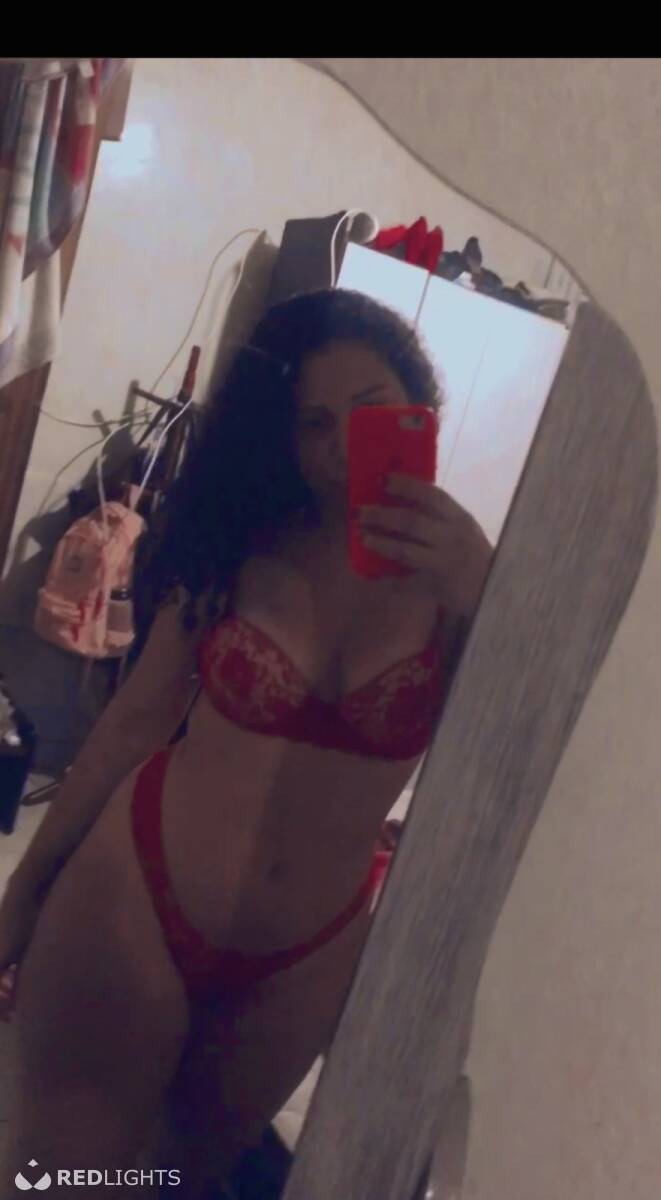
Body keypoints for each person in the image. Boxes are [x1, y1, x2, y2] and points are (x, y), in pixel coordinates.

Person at [0, 289, 492, 1197]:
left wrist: (486, 595)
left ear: (418, 407)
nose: (341, 448)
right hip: (139, 896)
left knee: (187, 1184)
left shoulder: (469, 579)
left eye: (370, 411)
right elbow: (137, 720)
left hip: (304, 955)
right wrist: (24, 895)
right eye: (313, 422)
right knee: (67, 1180)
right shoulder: (243, 537)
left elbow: (500, 765)